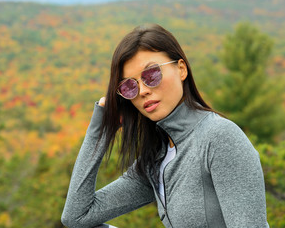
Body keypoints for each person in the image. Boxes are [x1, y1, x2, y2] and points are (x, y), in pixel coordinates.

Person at [61, 24, 269, 228]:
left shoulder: (218, 137)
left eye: (151, 75)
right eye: (129, 86)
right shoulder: (156, 159)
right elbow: (77, 216)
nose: (142, 91)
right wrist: (102, 128)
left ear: (181, 69)